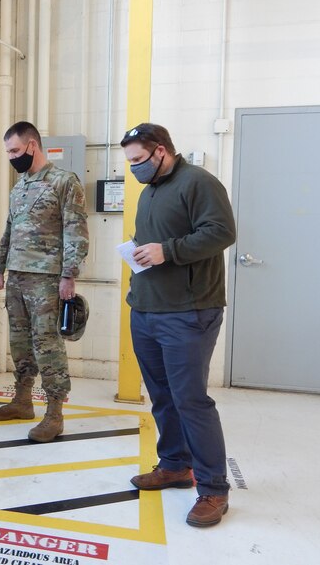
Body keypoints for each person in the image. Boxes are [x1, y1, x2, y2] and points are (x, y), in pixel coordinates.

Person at [120, 123, 236, 527]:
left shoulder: (199, 182)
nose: (134, 169)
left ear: (161, 151)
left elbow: (222, 232)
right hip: (148, 309)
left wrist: (167, 251)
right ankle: (174, 465)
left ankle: (214, 489)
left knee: (191, 400)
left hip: (188, 312)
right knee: (163, 396)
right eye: (130, 162)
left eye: (138, 160)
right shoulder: (151, 189)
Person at [0, 121, 89, 443]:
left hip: (47, 279)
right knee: (19, 343)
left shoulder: (63, 182)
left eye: (15, 150)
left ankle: (55, 414)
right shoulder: (18, 188)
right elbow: (9, 231)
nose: (12, 157)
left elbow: (76, 230)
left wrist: (69, 275)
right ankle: (22, 401)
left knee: (47, 344)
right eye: (8, 152)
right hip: (16, 277)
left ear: (33, 145)